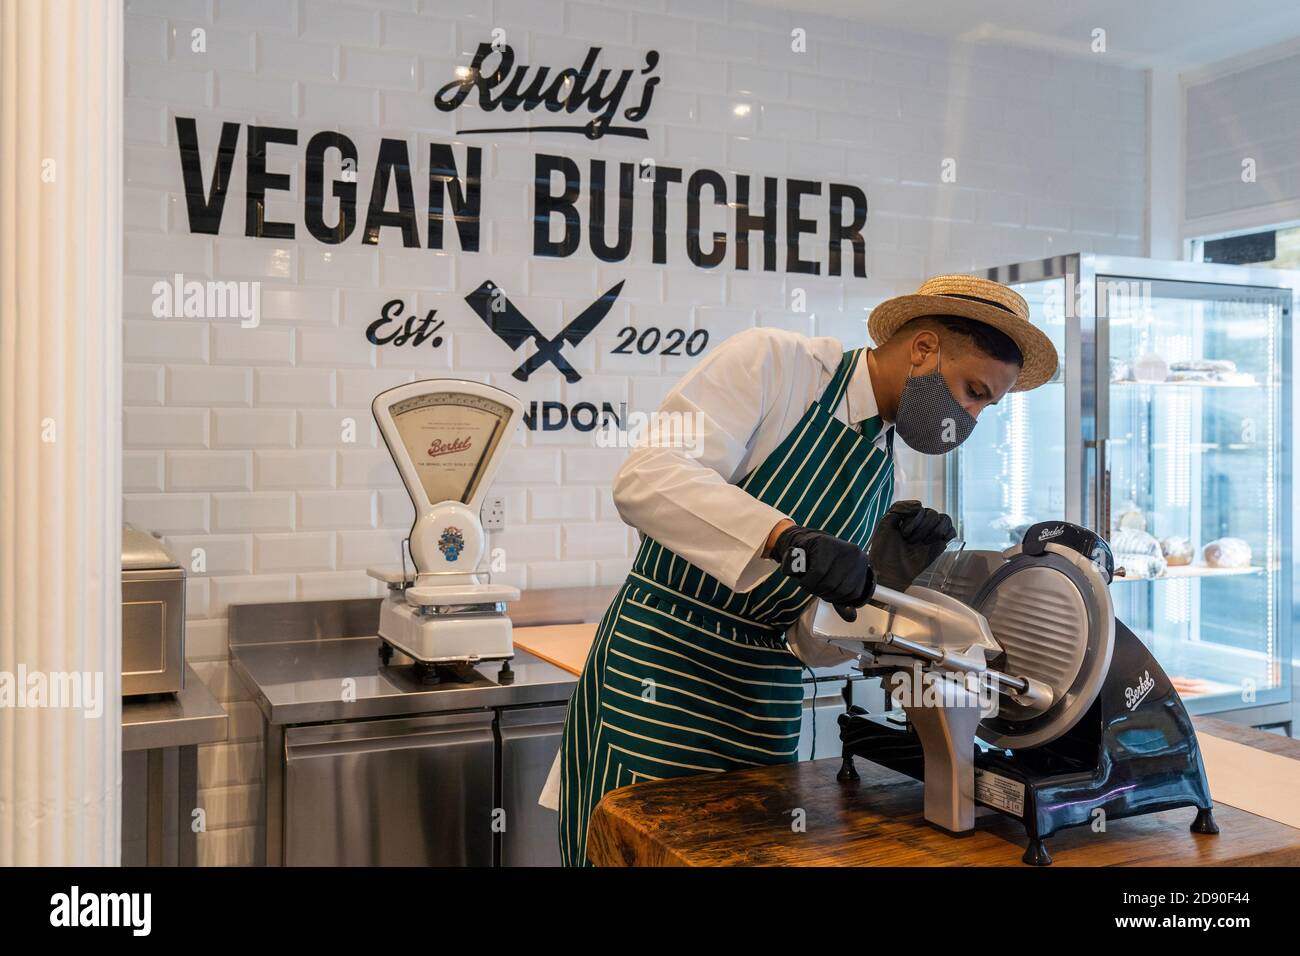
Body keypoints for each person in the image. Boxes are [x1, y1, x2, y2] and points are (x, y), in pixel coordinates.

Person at [547, 274, 1058, 866]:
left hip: (764, 697)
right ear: (923, 349)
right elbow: (647, 478)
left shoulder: (880, 472)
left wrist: (878, 590)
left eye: (984, 405)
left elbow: (809, 642)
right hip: (664, 669)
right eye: (972, 391)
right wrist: (783, 538)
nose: (969, 417)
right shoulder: (776, 366)